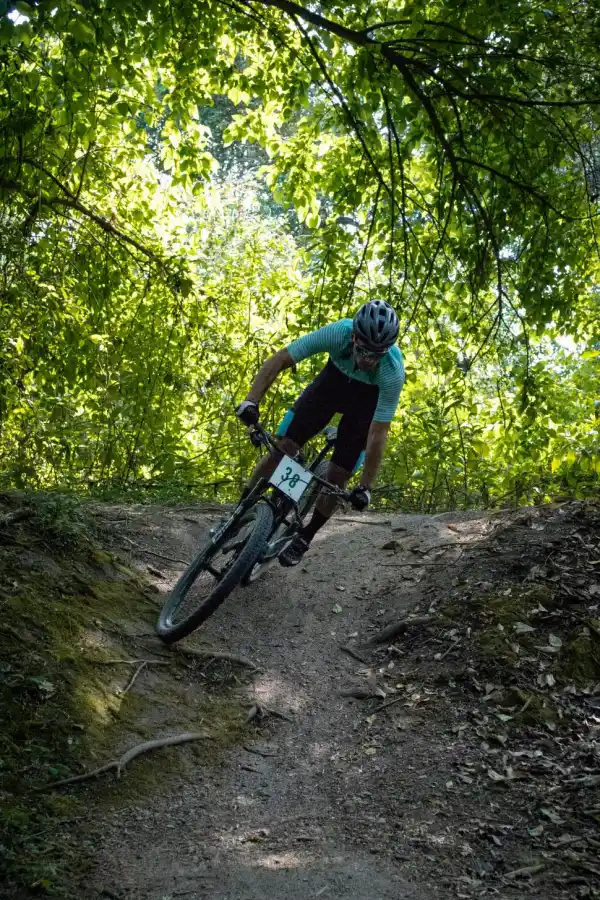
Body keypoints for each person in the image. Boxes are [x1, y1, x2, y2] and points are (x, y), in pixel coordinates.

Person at [235, 300, 405, 566]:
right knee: (283, 449)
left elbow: (378, 433)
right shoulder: (338, 332)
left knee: (338, 477)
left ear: (387, 350)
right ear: (353, 337)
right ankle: (241, 509)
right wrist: (250, 401)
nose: (368, 360)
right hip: (331, 385)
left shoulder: (392, 372)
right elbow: (280, 359)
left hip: (365, 405)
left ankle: (305, 536)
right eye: (363, 351)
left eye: (376, 355)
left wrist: (366, 486)